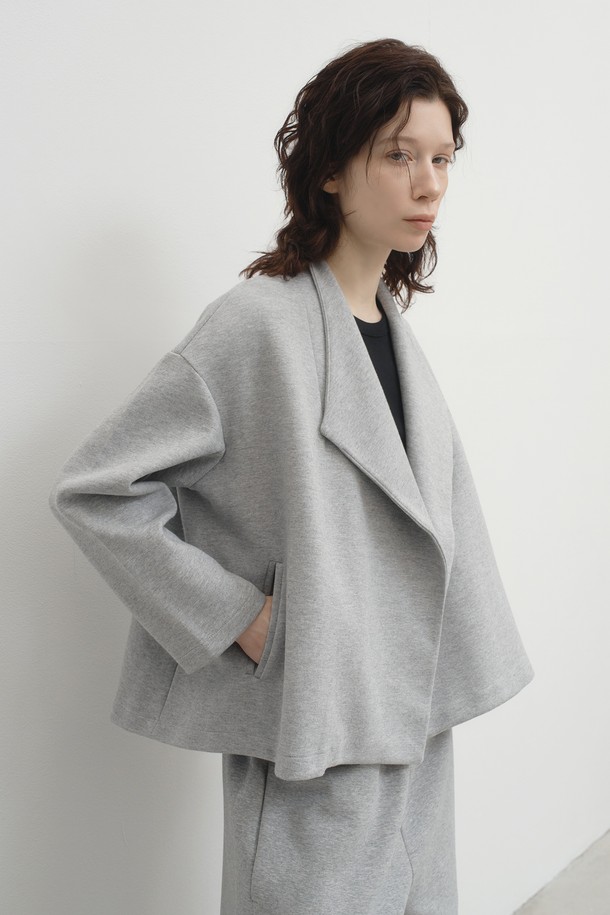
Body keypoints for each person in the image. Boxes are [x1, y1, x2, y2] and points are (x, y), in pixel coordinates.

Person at [48, 37, 535, 915]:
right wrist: (242, 618)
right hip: (313, 737)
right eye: (399, 155)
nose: (429, 185)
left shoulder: (389, 327)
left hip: (418, 738)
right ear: (332, 171)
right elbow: (97, 491)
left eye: (441, 159)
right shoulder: (255, 327)